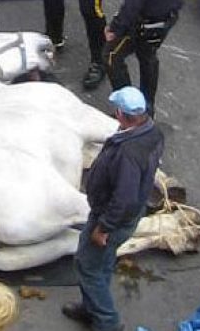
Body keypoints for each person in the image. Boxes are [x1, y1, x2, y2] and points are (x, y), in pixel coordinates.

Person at [62, 86, 164, 331]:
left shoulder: (128, 153)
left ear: (123, 115)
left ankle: (107, 323)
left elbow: (124, 198)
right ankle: (91, 310)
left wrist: (103, 228)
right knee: (101, 263)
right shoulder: (151, 132)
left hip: (111, 220)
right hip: (122, 216)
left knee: (88, 266)